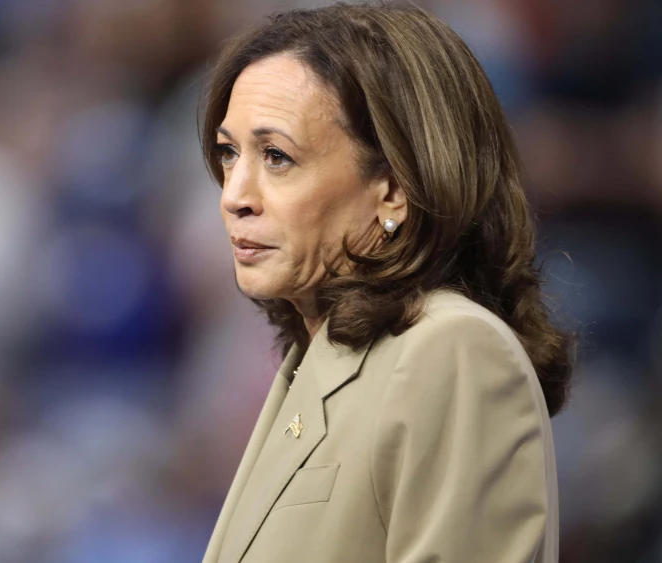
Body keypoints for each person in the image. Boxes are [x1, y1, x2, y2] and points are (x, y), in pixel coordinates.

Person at [199, 4, 573, 563]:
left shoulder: (453, 351)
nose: (234, 196)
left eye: (277, 156)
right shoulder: (321, 358)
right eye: (229, 153)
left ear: (395, 190)